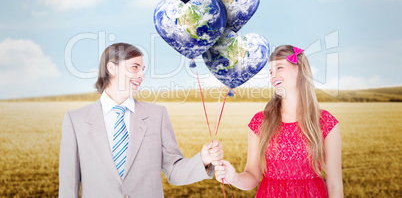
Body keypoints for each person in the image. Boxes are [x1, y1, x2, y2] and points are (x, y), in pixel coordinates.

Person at [59, 42, 223, 197]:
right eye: (135, 67)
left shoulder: (157, 115)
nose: (142, 75)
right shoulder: (76, 120)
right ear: (111, 68)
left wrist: (202, 159)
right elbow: (68, 189)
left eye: (143, 69)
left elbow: (173, 171)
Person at [214, 45, 343, 197]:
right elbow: (253, 176)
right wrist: (233, 177)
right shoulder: (260, 122)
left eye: (279, 68)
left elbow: (334, 184)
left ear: (300, 69)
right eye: (271, 72)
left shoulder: (325, 122)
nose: (273, 76)